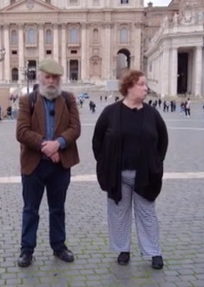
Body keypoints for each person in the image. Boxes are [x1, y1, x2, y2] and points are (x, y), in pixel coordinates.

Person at [92, 70, 168, 269]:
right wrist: (105, 165)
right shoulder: (110, 112)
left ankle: (154, 252)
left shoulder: (152, 113)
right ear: (129, 87)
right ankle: (123, 249)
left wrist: (156, 165)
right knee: (118, 214)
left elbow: (163, 141)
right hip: (118, 175)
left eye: (145, 84)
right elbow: (97, 141)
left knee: (147, 214)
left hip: (144, 175)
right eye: (142, 84)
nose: (146, 88)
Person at [15, 59, 81, 268]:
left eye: (55, 78)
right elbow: (22, 132)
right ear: (40, 77)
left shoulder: (68, 99)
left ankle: (59, 246)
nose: (51, 81)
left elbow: (75, 128)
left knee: (57, 208)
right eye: (48, 77)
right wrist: (46, 146)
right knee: (30, 209)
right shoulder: (28, 100)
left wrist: (59, 144)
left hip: (60, 165)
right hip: (34, 164)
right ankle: (27, 249)